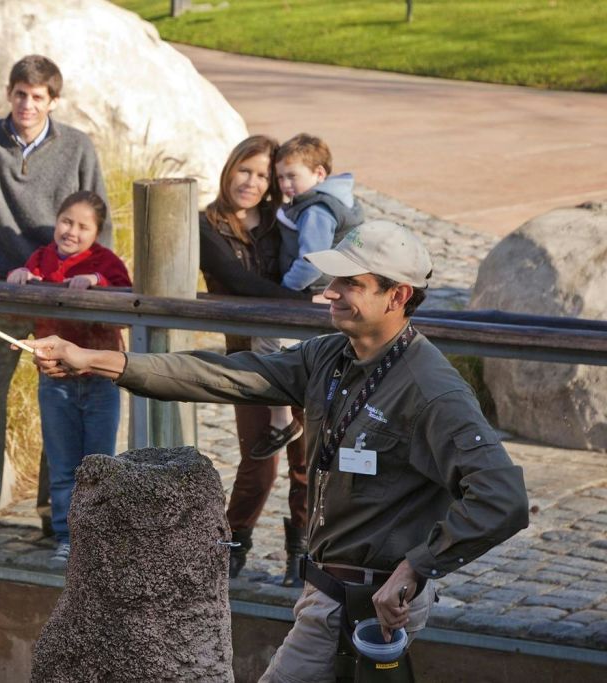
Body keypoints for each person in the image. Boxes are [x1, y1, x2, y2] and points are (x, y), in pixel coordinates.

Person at [30, 220, 529, 682]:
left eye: (350, 284)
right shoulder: (331, 355)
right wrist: (92, 359)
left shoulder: (432, 391)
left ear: (396, 295)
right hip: (329, 589)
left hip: (366, 602)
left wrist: (418, 565)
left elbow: (502, 498)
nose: (329, 292)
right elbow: (221, 375)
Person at [0, 54, 112, 546]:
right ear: (9, 94)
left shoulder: (76, 147)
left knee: (64, 400)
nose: (27, 105)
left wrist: (90, 276)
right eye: (19, 95)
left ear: (53, 100)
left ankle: (60, 521)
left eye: (37, 97)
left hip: (59, 294)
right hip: (1, 287)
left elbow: (98, 218)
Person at [199, 135, 313, 584]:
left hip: (300, 351)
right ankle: (233, 544)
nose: (251, 181)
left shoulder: (279, 220)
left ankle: (301, 552)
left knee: (308, 463)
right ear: (230, 169)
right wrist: (297, 302)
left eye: (263, 175)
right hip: (248, 357)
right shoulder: (207, 223)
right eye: (245, 170)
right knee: (259, 461)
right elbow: (235, 279)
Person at [7, 191, 131, 566]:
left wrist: (98, 282)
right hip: (55, 378)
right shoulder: (41, 259)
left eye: (83, 226)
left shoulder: (105, 262)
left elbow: (128, 300)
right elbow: (23, 297)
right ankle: (65, 536)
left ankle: (97, 537)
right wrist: (22, 277)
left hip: (98, 378)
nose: (71, 231)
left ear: (97, 232)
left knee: (98, 461)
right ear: (56, 221)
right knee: (63, 465)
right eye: (66, 221)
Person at [274, 133, 364, 293]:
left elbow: (312, 262)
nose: (285, 184)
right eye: (280, 177)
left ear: (319, 174)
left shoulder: (316, 211)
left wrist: (286, 290)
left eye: (292, 176)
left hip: (317, 289)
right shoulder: (337, 198)